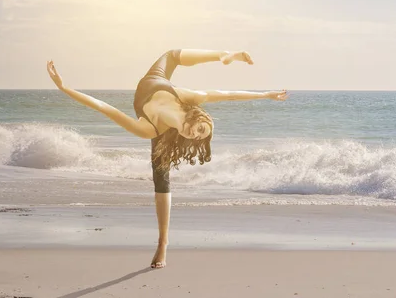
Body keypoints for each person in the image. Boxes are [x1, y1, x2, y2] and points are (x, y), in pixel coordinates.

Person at [46, 49, 288, 268]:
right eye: (201, 130)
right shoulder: (187, 97)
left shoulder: (148, 129)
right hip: (155, 81)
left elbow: (105, 108)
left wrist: (64, 89)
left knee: (161, 178)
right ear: (197, 118)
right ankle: (224, 55)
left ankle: (163, 242)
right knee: (173, 53)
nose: (195, 136)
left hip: (153, 118)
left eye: (198, 139)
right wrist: (265, 94)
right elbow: (225, 95)